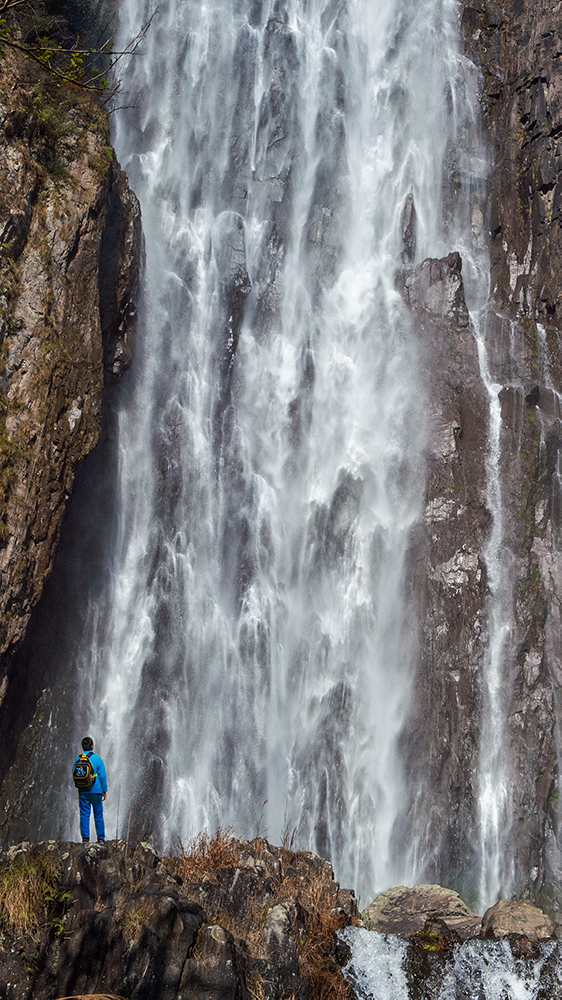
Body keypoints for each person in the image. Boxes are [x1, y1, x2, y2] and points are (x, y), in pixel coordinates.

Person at [73, 736, 107, 844]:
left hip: (83, 790)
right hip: (96, 790)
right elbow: (102, 776)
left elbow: (74, 773)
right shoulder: (97, 759)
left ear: (83, 747)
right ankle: (100, 839)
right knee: (98, 814)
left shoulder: (78, 759)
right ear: (92, 746)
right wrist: (104, 790)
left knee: (84, 814)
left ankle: (85, 838)